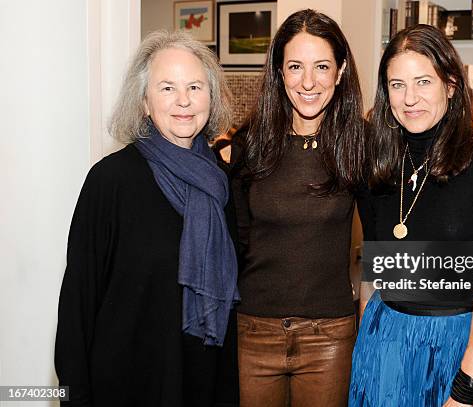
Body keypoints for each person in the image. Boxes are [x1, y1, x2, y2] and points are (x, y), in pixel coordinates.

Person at [54, 30, 240, 407]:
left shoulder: (220, 185)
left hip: (200, 383)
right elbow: (77, 303)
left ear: (211, 96)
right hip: (124, 385)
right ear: (143, 102)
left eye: (195, 87)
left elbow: (230, 309)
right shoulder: (111, 180)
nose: (184, 101)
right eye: (167, 88)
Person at [349, 24, 473, 407]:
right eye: (397, 85)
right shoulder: (376, 163)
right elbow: (374, 270)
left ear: (451, 85)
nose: (410, 98)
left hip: (465, 348)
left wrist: (466, 387)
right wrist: (367, 345)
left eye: (423, 81)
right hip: (385, 344)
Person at [230, 9, 365, 407]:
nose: (308, 82)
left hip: (331, 337)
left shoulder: (359, 144)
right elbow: (236, 238)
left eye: (322, 66)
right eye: (295, 67)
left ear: (340, 71)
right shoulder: (248, 144)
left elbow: (386, 228)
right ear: (279, 73)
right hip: (253, 332)